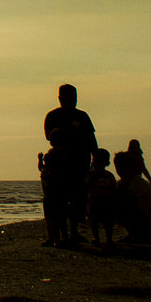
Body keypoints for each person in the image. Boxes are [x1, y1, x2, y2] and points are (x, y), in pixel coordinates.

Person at [43, 85, 97, 233]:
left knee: (78, 200)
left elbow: (92, 140)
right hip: (60, 167)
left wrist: (96, 160)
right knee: (59, 201)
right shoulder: (53, 116)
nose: (70, 102)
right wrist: (69, 130)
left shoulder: (82, 116)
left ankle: (74, 232)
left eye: (73, 99)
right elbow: (49, 135)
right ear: (60, 99)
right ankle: (62, 234)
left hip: (80, 164)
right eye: (67, 99)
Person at [87, 148, 118, 247]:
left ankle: (101, 239)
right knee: (102, 222)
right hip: (100, 202)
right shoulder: (107, 175)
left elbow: (86, 186)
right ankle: (105, 239)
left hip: (100, 202)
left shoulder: (93, 174)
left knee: (100, 222)